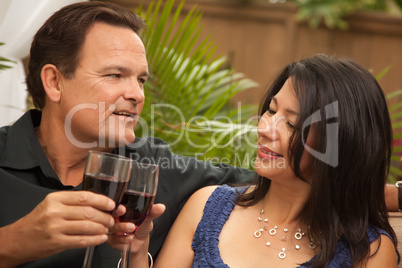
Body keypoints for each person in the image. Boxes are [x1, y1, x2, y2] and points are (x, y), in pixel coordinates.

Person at [0, 2, 254, 267]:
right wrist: (13, 241)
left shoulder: (154, 169)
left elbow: (273, 187)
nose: (137, 94)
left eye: (140, 80)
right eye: (115, 74)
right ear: (54, 82)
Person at [154, 55, 400, 267]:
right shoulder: (206, 207)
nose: (264, 128)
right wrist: (135, 250)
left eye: (292, 124)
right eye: (271, 110)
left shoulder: (368, 253)